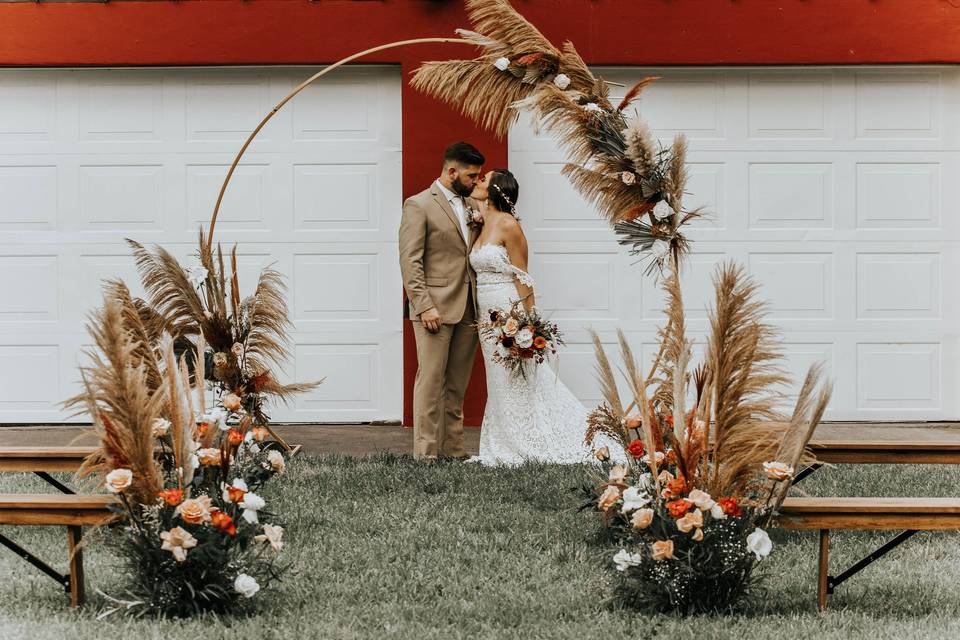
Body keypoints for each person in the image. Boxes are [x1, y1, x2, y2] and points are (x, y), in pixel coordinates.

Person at [468, 169, 603, 465]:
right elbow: (469, 199)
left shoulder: (508, 225)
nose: (476, 181)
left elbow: (523, 278)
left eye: (482, 178)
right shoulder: (481, 221)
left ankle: (526, 436)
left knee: (516, 374)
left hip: (506, 308)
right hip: (484, 313)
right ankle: (501, 439)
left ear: (494, 190)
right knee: (497, 376)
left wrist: (529, 322)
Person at [398, 141, 485, 461]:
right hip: (433, 308)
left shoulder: (471, 206)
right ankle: (426, 453)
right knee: (431, 382)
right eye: (472, 176)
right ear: (452, 171)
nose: (477, 181)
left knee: (457, 384)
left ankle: (454, 450)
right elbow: (410, 261)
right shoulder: (418, 205)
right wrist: (423, 306)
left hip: (467, 307)